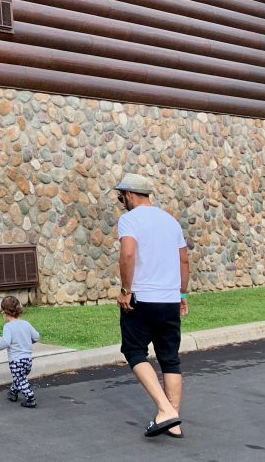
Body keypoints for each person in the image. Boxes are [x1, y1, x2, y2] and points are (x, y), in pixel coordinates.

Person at [115, 172, 190, 439]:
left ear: (130, 194)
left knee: (134, 351)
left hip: (142, 299)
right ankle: (175, 420)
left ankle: (165, 410)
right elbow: (183, 261)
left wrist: (125, 290)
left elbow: (127, 254)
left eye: (121, 195)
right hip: (169, 300)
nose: (121, 200)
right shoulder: (171, 222)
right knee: (170, 357)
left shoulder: (129, 220)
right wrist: (181, 295)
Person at [0, 295, 40, 408]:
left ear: (4, 312)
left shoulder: (8, 326)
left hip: (16, 361)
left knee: (21, 379)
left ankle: (30, 398)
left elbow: (5, 342)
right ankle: (13, 392)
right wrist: (27, 341)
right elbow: (36, 337)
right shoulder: (26, 324)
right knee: (20, 378)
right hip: (28, 360)